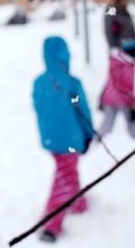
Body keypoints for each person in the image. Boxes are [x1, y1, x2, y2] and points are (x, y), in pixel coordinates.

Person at [33, 36, 95, 243]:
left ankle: (78, 202)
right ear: (65, 55)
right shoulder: (72, 83)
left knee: (67, 170)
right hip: (70, 138)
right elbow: (83, 111)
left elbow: (39, 108)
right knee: (64, 175)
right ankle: (52, 225)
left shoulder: (39, 83)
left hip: (51, 139)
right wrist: (88, 134)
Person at [98, 0, 135, 141]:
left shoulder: (126, 12)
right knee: (118, 87)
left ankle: (133, 128)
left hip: (130, 54)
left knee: (128, 90)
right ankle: (108, 123)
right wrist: (113, 48)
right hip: (119, 55)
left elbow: (132, 31)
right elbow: (108, 26)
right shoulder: (112, 9)